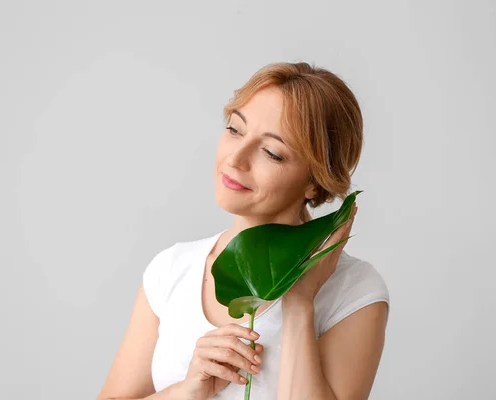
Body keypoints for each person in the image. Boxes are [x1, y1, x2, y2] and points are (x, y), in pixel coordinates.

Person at [97, 61, 390, 400]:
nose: (236, 159)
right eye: (235, 130)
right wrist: (187, 391)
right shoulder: (172, 269)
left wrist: (298, 305)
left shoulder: (354, 291)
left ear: (315, 181)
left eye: (271, 152)